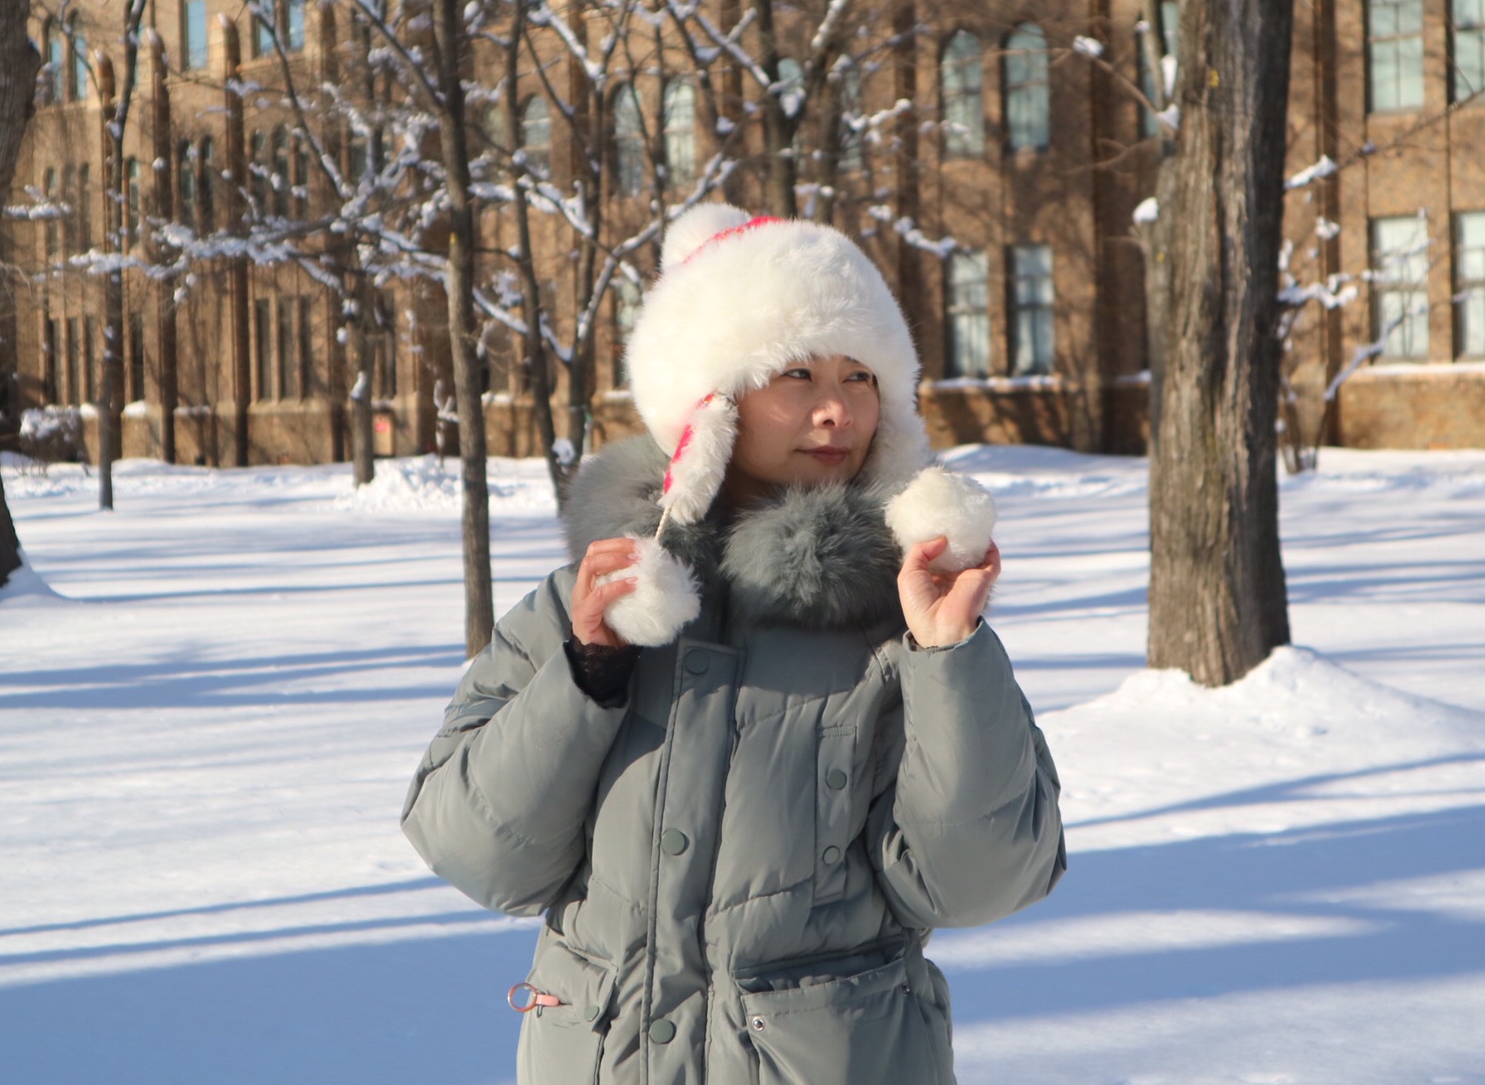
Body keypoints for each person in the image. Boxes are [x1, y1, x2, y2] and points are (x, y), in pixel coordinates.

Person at [402, 204, 1065, 1085]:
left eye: (861, 375)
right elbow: (477, 854)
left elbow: (981, 884)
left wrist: (949, 660)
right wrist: (587, 676)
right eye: (797, 372)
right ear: (710, 399)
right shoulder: (593, 603)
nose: (836, 410)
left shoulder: (911, 616)